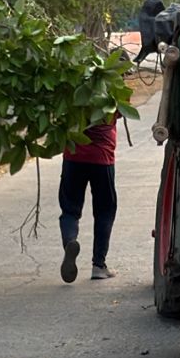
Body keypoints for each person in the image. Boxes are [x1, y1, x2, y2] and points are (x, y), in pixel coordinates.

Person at [59, 114, 119, 283]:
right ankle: (98, 266)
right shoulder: (112, 96)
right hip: (102, 158)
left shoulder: (69, 96)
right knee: (104, 212)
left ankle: (70, 241)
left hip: (73, 156)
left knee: (70, 210)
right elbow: (121, 110)